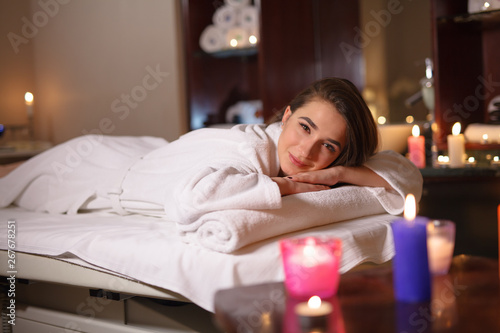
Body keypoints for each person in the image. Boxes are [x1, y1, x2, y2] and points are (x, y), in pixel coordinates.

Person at [0, 77, 422, 223]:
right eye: (304, 127)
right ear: (288, 113)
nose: (307, 151)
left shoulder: (329, 163)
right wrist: (293, 187)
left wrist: (339, 175)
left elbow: (405, 177)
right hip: (95, 170)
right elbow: (195, 198)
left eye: (328, 146)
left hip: (148, 151)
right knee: (11, 178)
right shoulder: (253, 148)